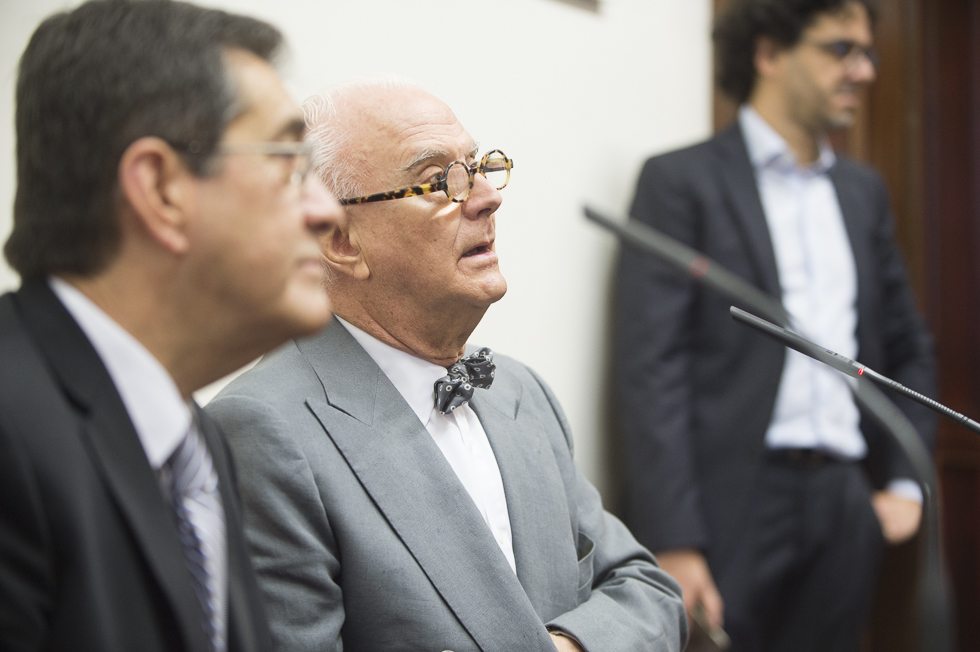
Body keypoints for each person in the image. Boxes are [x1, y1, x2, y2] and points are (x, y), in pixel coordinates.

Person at [204, 78, 687, 652]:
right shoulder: (262, 430)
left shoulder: (520, 391)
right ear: (340, 240)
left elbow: (651, 590)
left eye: (480, 167)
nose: (487, 197)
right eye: (439, 180)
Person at [0, 1, 344, 651]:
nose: (327, 211)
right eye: (289, 162)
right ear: (161, 189)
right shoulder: (11, 432)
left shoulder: (195, 448)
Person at [614, 1, 937, 650]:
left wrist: (904, 480)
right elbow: (651, 368)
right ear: (768, 54)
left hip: (846, 499)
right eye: (841, 49)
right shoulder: (680, 181)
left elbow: (907, 345)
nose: (865, 70)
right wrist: (674, 540)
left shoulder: (862, 192)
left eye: (867, 51)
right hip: (733, 503)